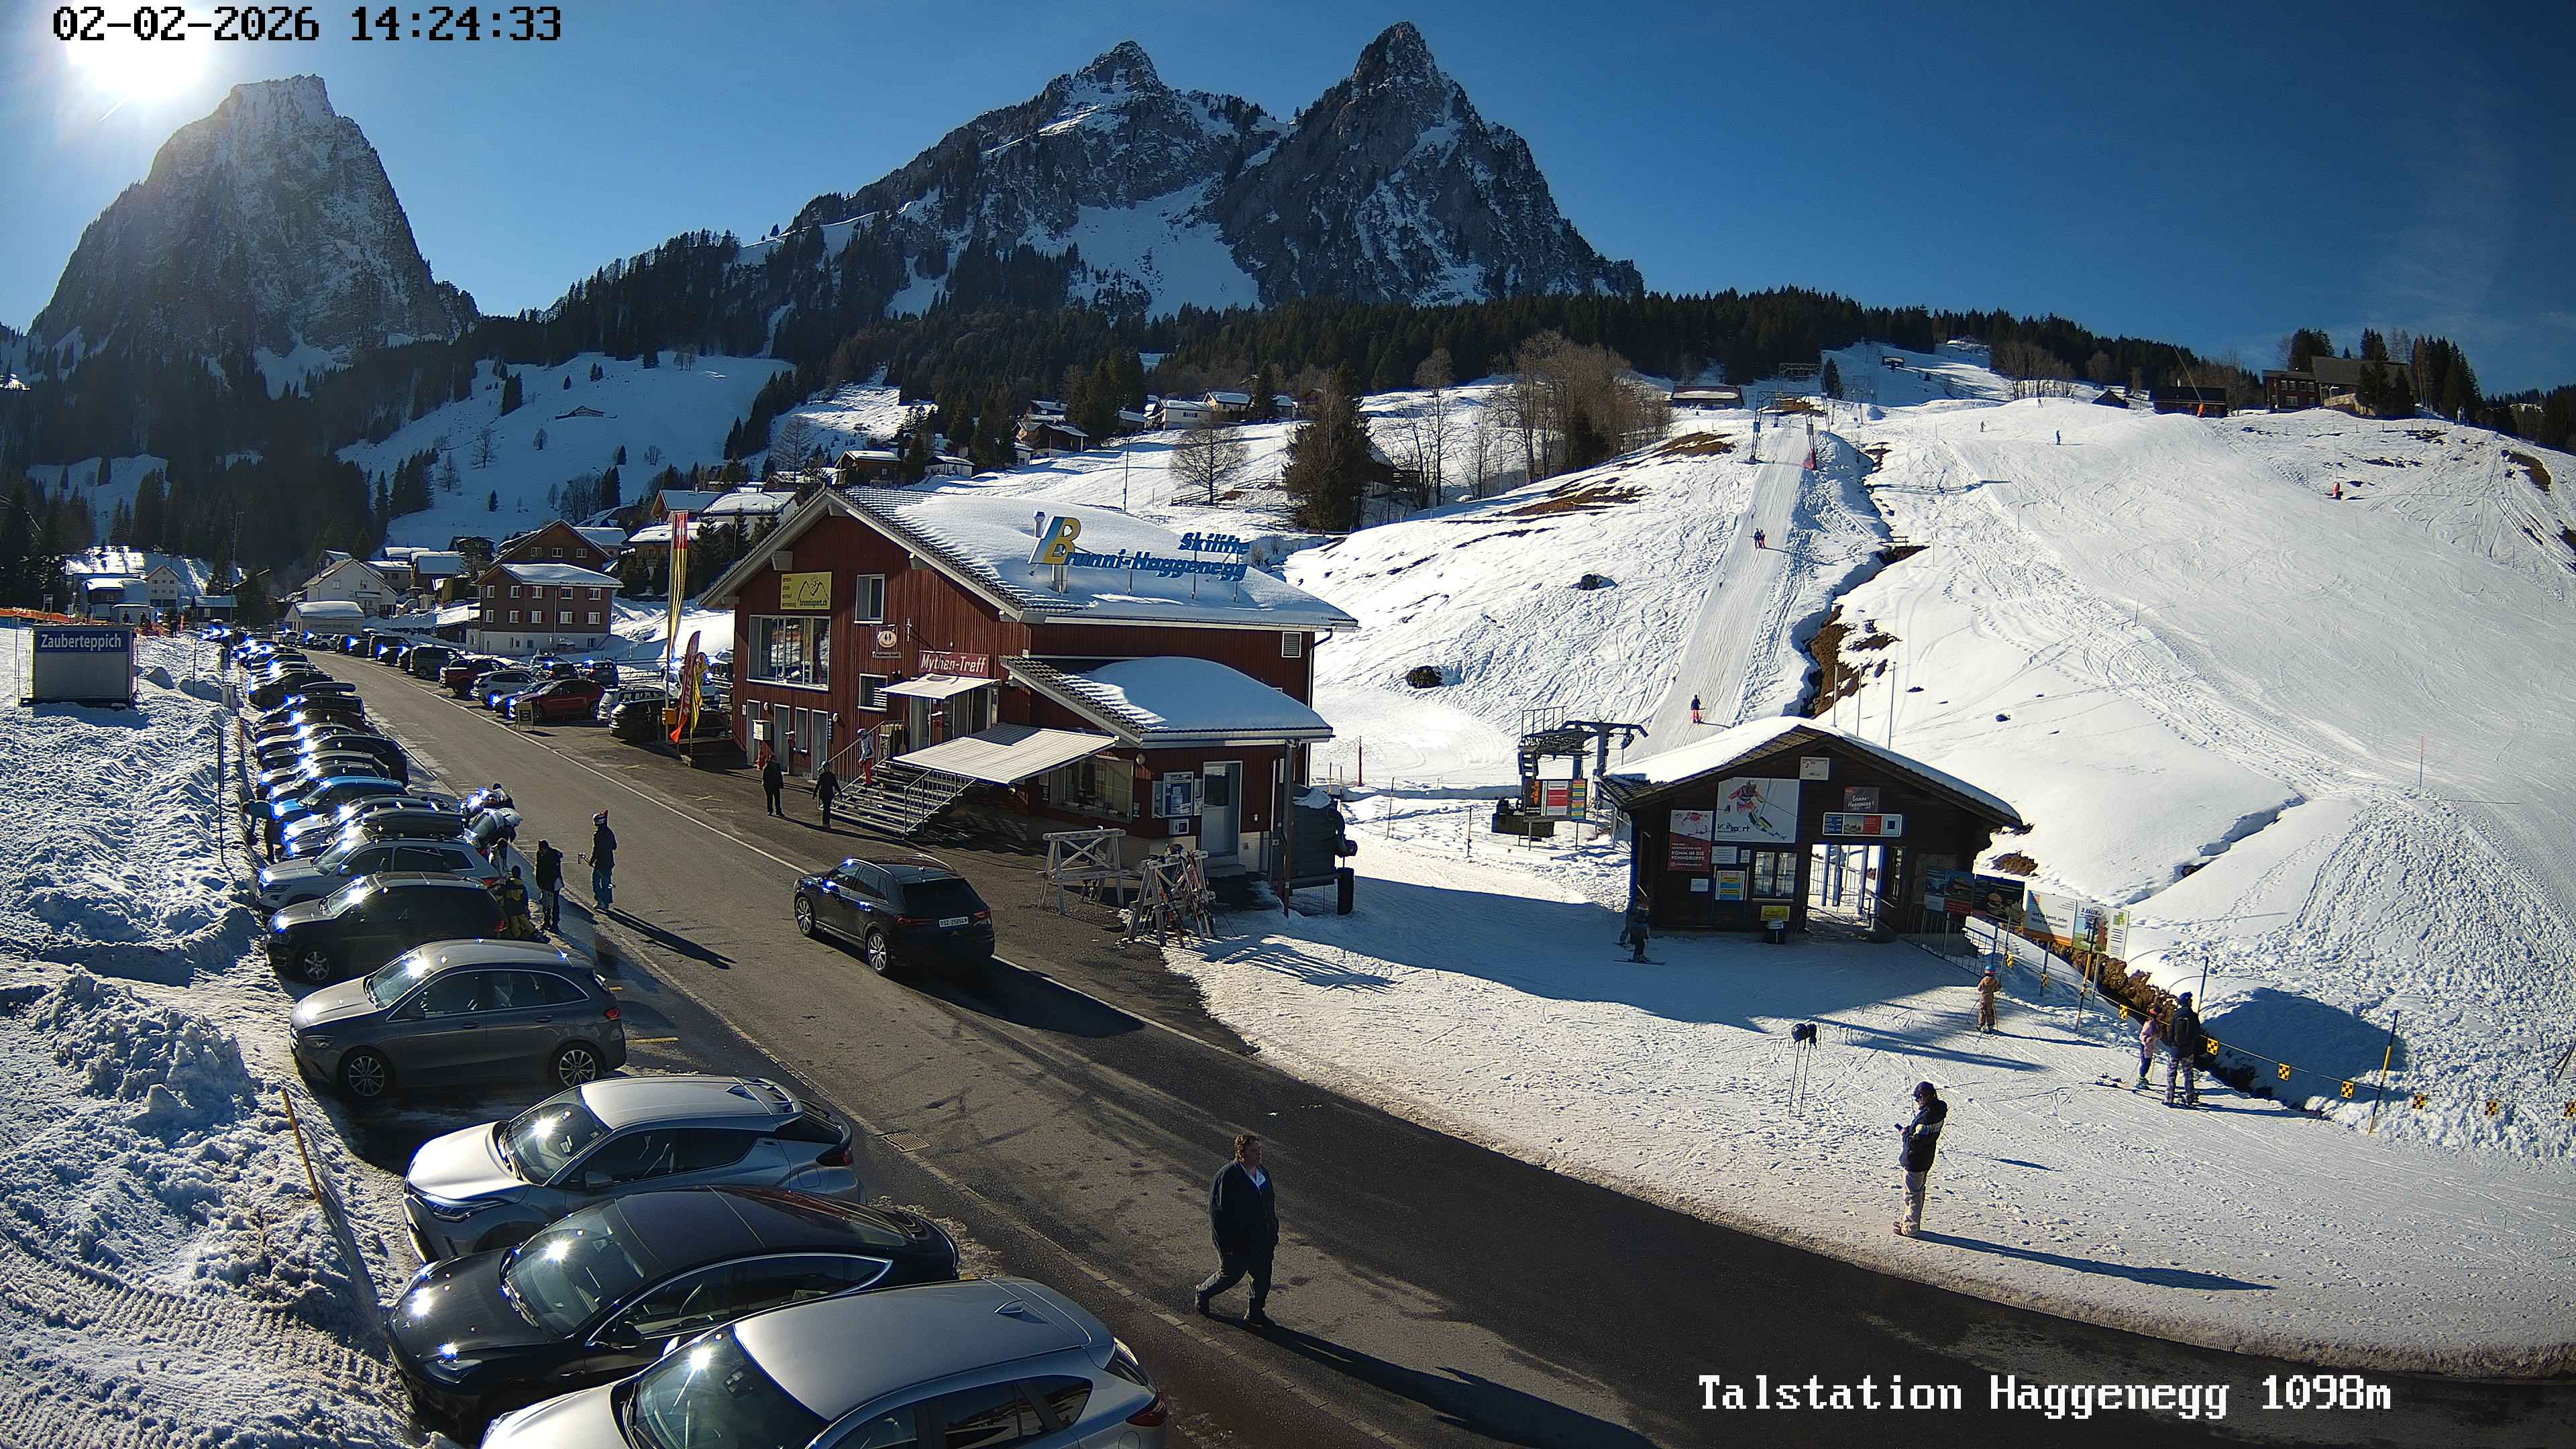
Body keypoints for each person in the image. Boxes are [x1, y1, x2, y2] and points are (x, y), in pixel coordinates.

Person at [1195, 1133, 1279, 1328]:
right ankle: (1203, 1292)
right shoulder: (1227, 1177)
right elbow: (1218, 1215)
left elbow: (1269, 1204)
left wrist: (1273, 1231)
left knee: (1262, 1278)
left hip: (1262, 1240)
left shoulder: (1262, 1173)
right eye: (1253, 1151)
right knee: (1229, 1277)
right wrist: (1227, 1246)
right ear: (1241, 1154)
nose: (1259, 1154)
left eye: (1259, 1150)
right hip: (1238, 1244)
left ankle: (1255, 1313)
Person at [1895, 1081, 1947, 1237]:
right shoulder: (1939, 1109)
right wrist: (1911, 1130)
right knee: (1917, 1193)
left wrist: (1905, 1134)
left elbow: (1915, 1144)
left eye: (1918, 1098)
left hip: (1915, 1162)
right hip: (1926, 1158)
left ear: (1924, 1097)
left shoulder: (1926, 1117)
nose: (1917, 1101)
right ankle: (1907, 1222)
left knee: (1913, 1196)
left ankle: (1910, 1229)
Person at [2165, 992, 2204, 1108]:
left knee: (2171, 1075)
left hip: (2175, 1050)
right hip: (2188, 1051)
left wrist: (2172, 1044)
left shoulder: (2176, 1015)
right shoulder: (2193, 1015)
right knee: (2188, 1074)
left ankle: (2169, 1098)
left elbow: (2170, 1033)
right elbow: (2197, 1033)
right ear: (2188, 1001)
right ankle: (2190, 1097)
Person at [587, 810, 617, 914]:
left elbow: (596, 850)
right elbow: (614, 846)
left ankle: (600, 901)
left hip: (600, 863)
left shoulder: (598, 835)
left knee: (596, 882)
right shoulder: (609, 832)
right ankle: (606, 903)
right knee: (607, 883)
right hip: (609, 862)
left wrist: (591, 861)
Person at [532, 839, 565, 931]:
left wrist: (549, 886)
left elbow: (554, 873)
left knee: (554, 904)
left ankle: (555, 923)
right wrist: (540, 883)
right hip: (544, 883)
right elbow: (539, 869)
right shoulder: (540, 854)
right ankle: (546, 921)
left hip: (553, 884)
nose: (541, 851)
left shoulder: (553, 856)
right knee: (545, 903)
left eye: (542, 850)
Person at [493, 866, 535, 939]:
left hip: (510, 907)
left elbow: (500, 893)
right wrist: (526, 907)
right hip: (520, 907)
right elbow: (525, 899)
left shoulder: (508, 885)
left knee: (514, 923)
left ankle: (517, 935)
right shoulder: (522, 886)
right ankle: (532, 932)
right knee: (524, 920)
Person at [2137, 1010, 2163, 1089]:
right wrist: (2147, 1039)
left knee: (2148, 1062)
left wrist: (2158, 1036)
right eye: (2159, 1015)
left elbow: (2157, 1035)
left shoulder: (2156, 1024)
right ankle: (2141, 1078)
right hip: (2146, 1046)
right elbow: (2142, 1035)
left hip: (2151, 1047)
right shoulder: (2150, 1023)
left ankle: (2142, 1077)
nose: (2161, 1017)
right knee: (2146, 1062)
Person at [1975, 965, 2001, 1033]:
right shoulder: (1995, 981)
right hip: (1990, 998)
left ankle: (1981, 1025)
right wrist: (1997, 987)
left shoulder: (1984, 980)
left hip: (1983, 998)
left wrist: (1982, 990)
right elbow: (1996, 989)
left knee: (1982, 1011)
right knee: (1990, 1011)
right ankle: (1990, 1026)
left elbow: (1979, 988)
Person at [760, 748, 785, 816]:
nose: (776, 761)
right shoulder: (767, 767)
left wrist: (781, 784)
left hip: (776, 785)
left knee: (777, 799)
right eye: (775, 759)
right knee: (770, 798)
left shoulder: (777, 766)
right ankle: (770, 811)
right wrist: (765, 785)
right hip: (769, 785)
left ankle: (778, 811)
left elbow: (780, 776)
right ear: (771, 760)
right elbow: (765, 778)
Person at [814, 763, 840, 827]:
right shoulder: (822, 775)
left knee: (828, 808)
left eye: (828, 767)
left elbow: (835, 784)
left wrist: (840, 792)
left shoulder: (831, 775)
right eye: (826, 767)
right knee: (826, 808)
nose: (827, 768)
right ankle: (825, 823)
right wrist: (815, 793)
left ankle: (827, 822)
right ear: (824, 768)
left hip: (829, 794)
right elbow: (818, 785)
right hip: (823, 794)